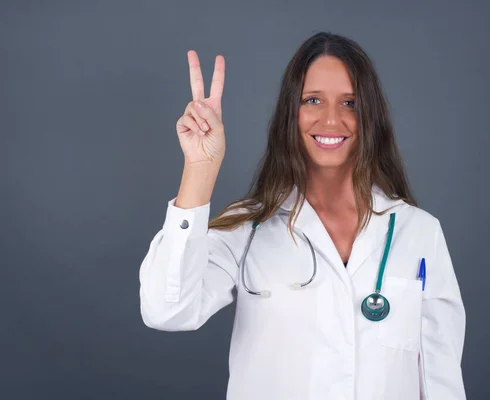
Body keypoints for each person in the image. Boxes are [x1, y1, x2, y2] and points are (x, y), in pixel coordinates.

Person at [139, 32, 466, 400]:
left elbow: (443, 383)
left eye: (350, 103)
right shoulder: (249, 227)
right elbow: (167, 310)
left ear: (370, 116)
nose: (331, 120)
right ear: (290, 112)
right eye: (313, 100)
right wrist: (200, 168)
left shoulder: (419, 232)